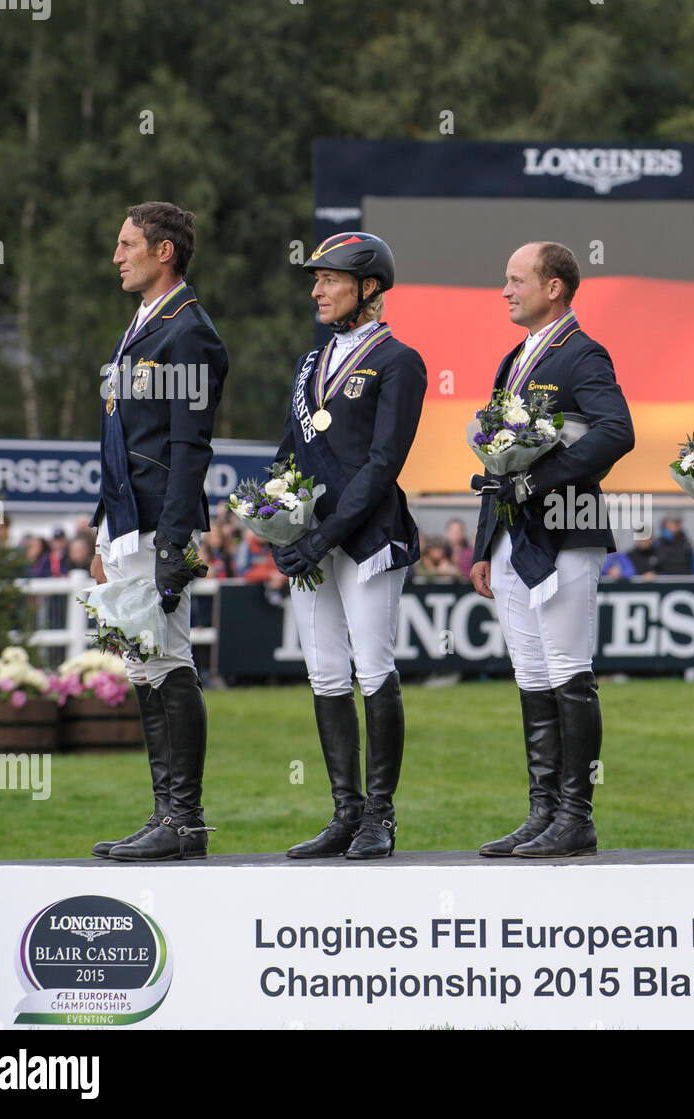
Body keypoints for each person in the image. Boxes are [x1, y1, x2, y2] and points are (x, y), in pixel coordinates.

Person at [471, 241, 634, 858]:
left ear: (555, 287)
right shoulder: (513, 358)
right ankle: (542, 811)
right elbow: (498, 457)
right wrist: (486, 541)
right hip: (515, 538)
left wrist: (538, 480)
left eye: (517, 280)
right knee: (532, 677)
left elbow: (618, 431)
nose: (506, 290)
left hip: (567, 528)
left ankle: (576, 816)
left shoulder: (582, 353)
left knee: (569, 672)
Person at [271, 232, 426, 860]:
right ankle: (344, 812)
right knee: (326, 673)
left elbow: (384, 463)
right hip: (313, 543)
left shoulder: (400, 360)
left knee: (373, 667)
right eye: (316, 279)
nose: (316, 290)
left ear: (367, 288)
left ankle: (380, 818)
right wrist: (278, 524)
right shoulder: (311, 364)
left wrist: (325, 534)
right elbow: (289, 452)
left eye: (329, 279)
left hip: (367, 539)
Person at [90, 201, 228, 861]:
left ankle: (185, 820)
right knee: (142, 666)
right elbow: (120, 437)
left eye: (126, 244)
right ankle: (164, 814)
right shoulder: (140, 326)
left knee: (169, 662)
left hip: (158, 525)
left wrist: (174, 540)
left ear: (163, 251)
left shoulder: (188, 332)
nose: (117, 256)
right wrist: (100, 534)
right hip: (125, 526)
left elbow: (187, 446)